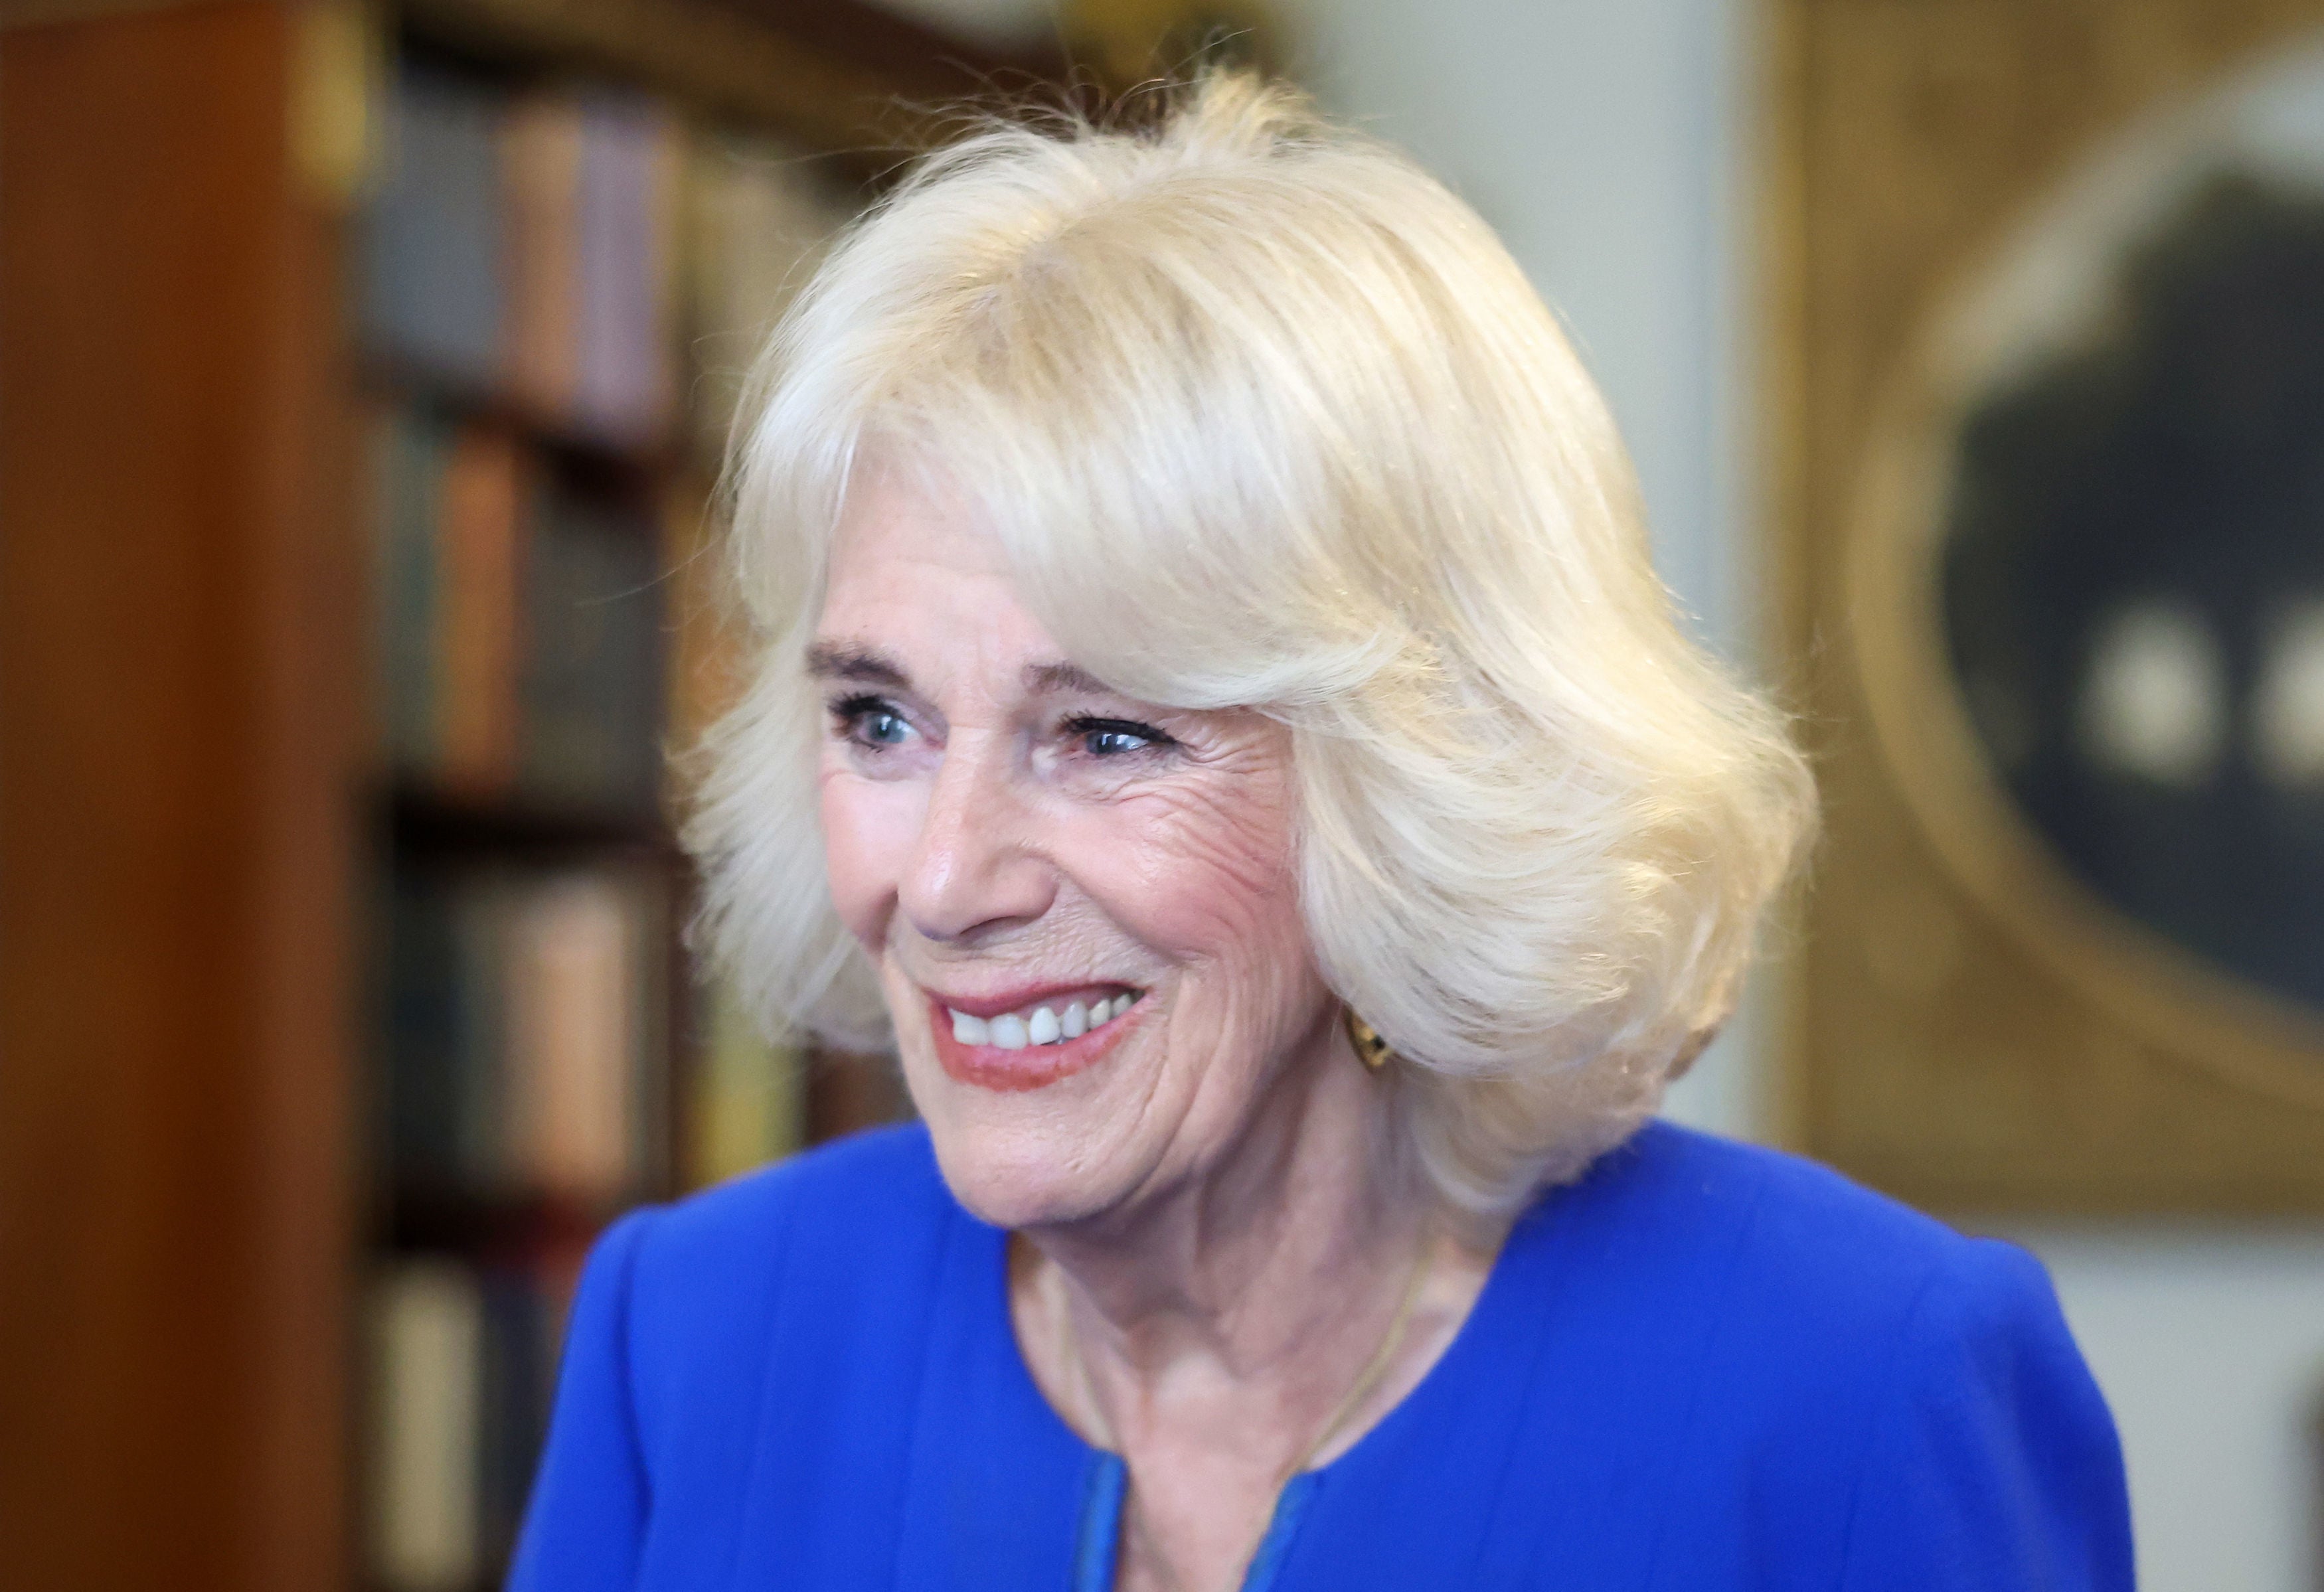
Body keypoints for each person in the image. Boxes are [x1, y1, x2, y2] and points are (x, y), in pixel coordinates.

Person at [509, 74, 2133, 1591]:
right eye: (880, 718)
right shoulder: (697, 1337)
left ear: (1415, 786)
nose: (938, 879)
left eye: (1107, 733)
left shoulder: (1862, 1387)